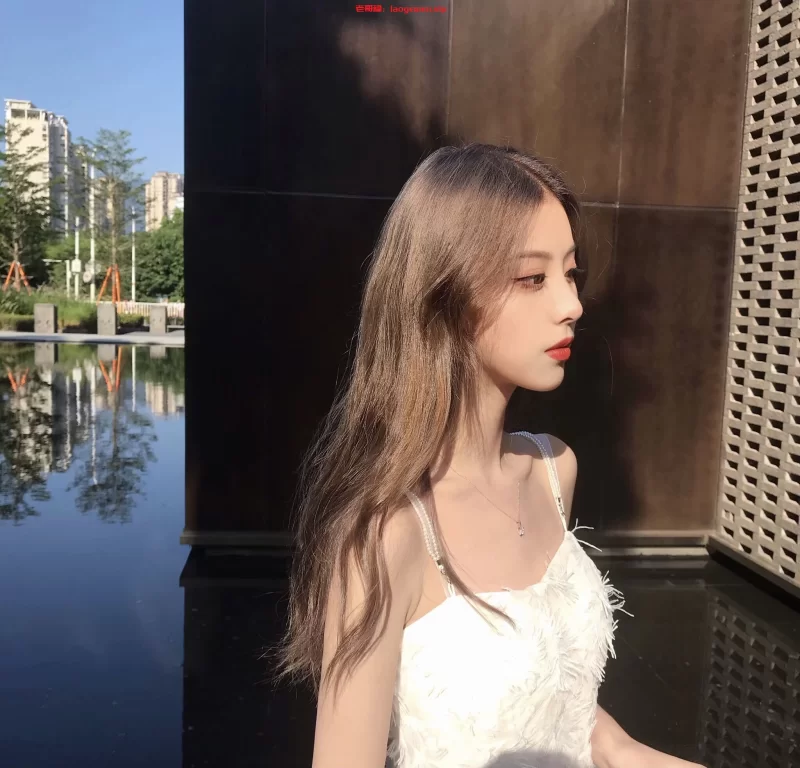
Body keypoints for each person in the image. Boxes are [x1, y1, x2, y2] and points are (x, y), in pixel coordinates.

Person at [271, 143, 705, 768]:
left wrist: (624, 749)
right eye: (532, 278)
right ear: (444, 292)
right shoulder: (385, 533)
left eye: (571, 273)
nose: (572, 304)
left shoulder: (554, 470)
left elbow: (563, 705)